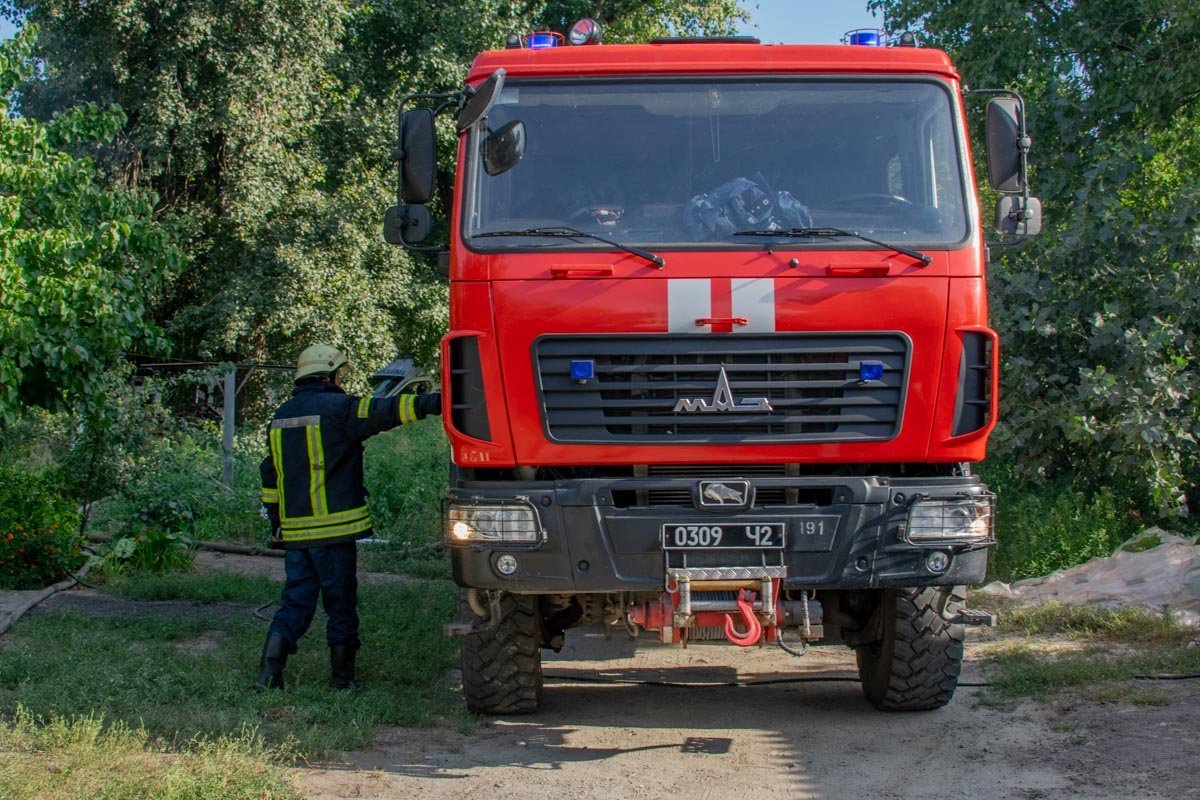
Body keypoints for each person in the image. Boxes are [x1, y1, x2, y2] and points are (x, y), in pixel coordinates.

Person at [254, 344, 442, 691]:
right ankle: (342, 682)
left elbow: (270, 475)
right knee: (340, 604)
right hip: (335, 533)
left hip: (296, 534)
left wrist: (276, 524)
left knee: (294, 602)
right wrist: (435, 403)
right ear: (330, 374)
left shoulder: (280, 417)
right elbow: (386, 410)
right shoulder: (339, 409)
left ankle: (268, 677)